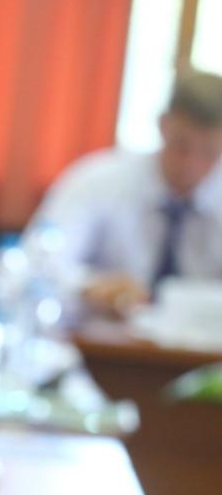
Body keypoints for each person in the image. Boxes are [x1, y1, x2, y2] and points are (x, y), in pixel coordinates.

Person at [28, 70, 222, 316]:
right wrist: (88, 286)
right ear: (163, 125)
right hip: (97, 335)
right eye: (182, 146)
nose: (192, 164)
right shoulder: (98, 180)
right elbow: (37, 261)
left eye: (209, 152)